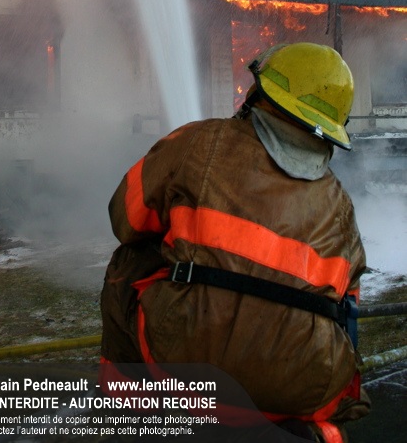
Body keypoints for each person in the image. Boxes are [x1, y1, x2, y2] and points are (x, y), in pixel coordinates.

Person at [100, 43, 370, 443]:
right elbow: (347, 310)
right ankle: (317, 431)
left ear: (260, 95)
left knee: (130, 262)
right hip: (305, 389)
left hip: (189, 374)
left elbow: (125, 217)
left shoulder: (200, 141)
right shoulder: (342, 207)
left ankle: (136, 412)